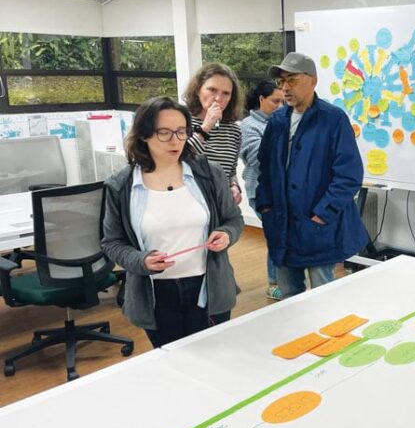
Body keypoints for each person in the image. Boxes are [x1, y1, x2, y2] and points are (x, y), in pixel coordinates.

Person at [102, 96, 243, 347]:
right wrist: (141, 260)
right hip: (156, 295)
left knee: (214, 360)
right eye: (164, 133)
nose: (176, 141)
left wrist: (226, 234)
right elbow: (112, 243)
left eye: (181, 132)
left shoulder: (209, 174)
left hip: (207, 287)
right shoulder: (121, 185)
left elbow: (233, 219)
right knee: (174, 366)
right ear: (144, 135)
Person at [255, 52, 367, 299]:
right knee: (288, 297)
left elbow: (349, 174)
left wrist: (322, 214)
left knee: (322, 297)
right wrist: (265, 207)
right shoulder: (277, 121)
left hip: (317, 227)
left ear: (313, 81)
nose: (285, 88)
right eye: (281, 82)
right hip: (282, 224)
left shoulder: (333, 119)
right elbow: (264, 169)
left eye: (292, 80)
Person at [240, 80, 285, 300]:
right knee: (276, 235)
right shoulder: (249, 126)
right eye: (275, 101)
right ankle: (274, 283)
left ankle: (284, 279)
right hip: (260, 192)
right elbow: (258, 159)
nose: (280, 106)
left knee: (282, 235)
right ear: (261, 100)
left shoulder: (280, 121)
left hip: (282, 192)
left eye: (283, 102)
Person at [183, 63, 243, 205]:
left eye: (226, 93)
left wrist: (234, 185)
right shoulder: (180, 121)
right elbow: (178, 159)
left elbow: (231, 169)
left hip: (219, 205)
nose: (218, 98)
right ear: (198, 90)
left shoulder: (233, 130)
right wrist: (205, 128)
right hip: (188, 202)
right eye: (212, 90)